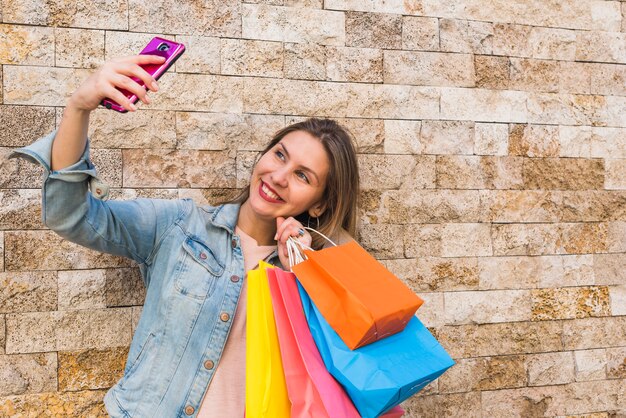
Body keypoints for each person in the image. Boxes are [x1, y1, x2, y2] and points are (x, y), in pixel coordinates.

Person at [10, 54, 361, 417]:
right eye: (279, 155)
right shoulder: (180, 225)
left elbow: (332, 377)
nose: (279, 176)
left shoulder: (319, 275)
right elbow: (73, 216)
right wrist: (78, 107)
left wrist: (300, 274)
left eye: (304, 176)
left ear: (319, 205)